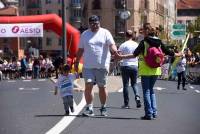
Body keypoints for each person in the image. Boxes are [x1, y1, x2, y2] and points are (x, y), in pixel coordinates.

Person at [115, 23, 182, 120]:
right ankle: (154, 112)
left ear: (146, 31)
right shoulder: (159, 42)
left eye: (142, 31)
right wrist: (178, 54)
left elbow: (134, 55)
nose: (142, 33)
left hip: (146, 70)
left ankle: (148, 113)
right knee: (151, 90)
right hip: (156, 70)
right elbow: (167, 51)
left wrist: (121, 57)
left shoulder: (144, 42)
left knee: (146, 91)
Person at [74, 15, 118, 116]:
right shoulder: (85, 34)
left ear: (99, 23)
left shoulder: (105, 32)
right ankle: (89, 108)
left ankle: (103, 107)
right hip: (88, 66)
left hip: (102, 65)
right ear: (89, 24)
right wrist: (76, 62)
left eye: (97, 23)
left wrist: (115, 51)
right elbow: (80, 49)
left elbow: (112, 44)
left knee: (101, 87)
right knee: (88, 86)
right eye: (93, 24)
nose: (95, 25)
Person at [118, 30, 141, 109]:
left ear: (126, 35)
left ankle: (126, 104)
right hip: (135, 65)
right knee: (134, 84)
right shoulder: (136, 44)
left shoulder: (123, 45)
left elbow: (119, 55)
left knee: (126, 85)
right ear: (132, 36)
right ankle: (137, 96)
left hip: (125, 66)